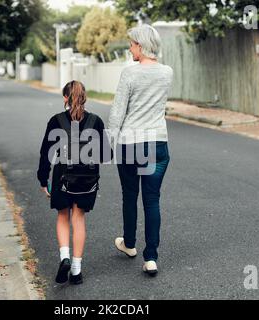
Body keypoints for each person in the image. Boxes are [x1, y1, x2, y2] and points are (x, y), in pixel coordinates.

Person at [108, 24, 173, 276]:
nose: (130, 48)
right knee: (152, 199)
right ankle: (151, 257)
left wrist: (111, 143)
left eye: (132, 44)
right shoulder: (167, 72)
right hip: (157, 143)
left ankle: (130, 244)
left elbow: (118, 111)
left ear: (141, 45)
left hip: (130, 143)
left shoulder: (129, 73)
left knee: (129, 195)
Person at [37, 80, 110, 285]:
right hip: (88, 179)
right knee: (79, 219)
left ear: (65, 98)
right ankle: (76, 271)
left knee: (63, 216)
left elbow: (46, 153)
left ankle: (65, 258)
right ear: (84, 97)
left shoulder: (56, 120)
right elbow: (106, 155)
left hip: (62, 177)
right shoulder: (95, 121)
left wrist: (43, 179)